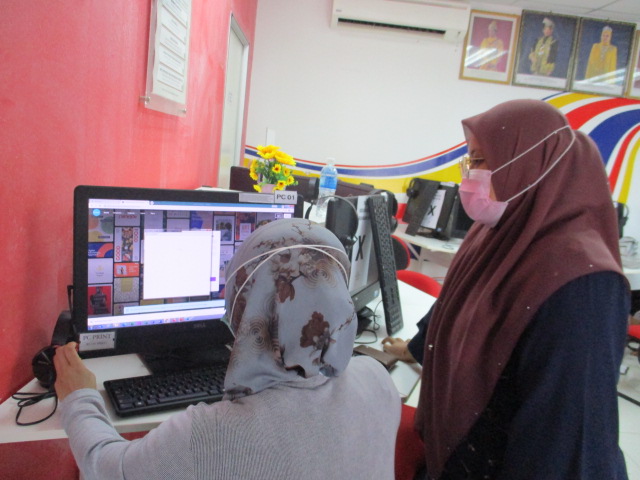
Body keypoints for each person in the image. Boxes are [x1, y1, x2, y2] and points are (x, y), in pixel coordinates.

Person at [383, 99, 630, 479]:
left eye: (481, 161)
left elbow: (562, 437)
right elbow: (457, 304)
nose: (470, 175)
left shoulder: (583, 282)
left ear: (529, 165)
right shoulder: (498, 232)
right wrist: (416, 348)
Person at [54, 218, 401, 480]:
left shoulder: (213, 434)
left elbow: (107, 468)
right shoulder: (378, 379)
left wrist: (79, 398)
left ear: (242, 305)